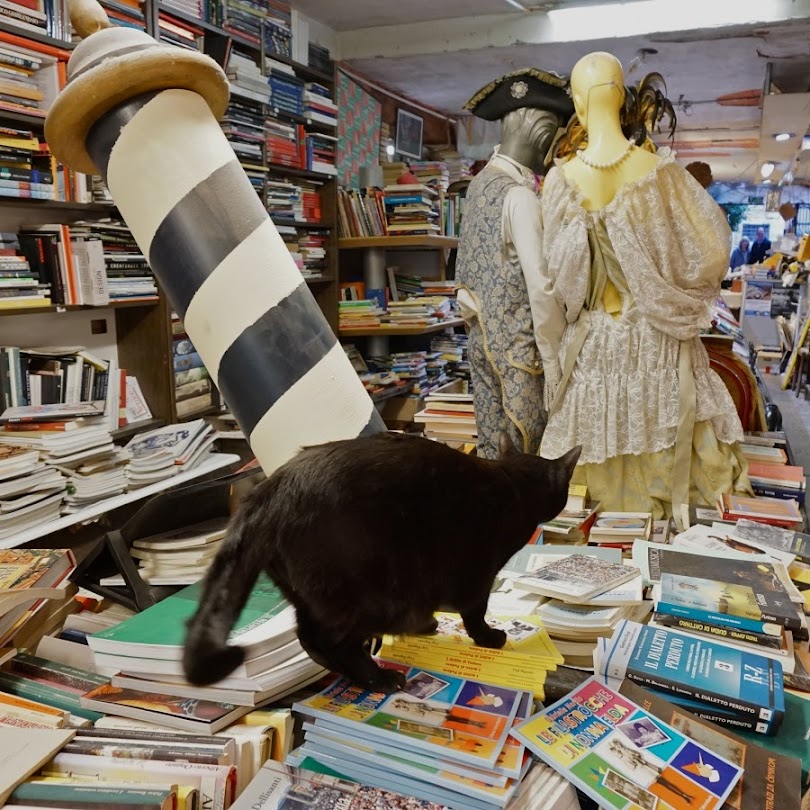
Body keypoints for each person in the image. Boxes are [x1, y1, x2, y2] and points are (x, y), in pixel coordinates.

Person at [538, 52, 751, 529]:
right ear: (621, 95)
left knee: (591, 493)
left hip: (596, 347)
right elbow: (712, 251)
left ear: (576, 100)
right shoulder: (659, 174)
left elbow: (564, 287)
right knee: (675, 485)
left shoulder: (560, 180)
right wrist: (673, 293)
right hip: (658, 343)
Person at [455, 68, 574, 458]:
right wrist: (556, 358)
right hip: (520, 356)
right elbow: (541, 287)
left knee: (492, 453)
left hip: (481, 343)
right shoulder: (519, 196)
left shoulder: (477, 186)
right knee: (525, 455)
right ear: (543, 133)